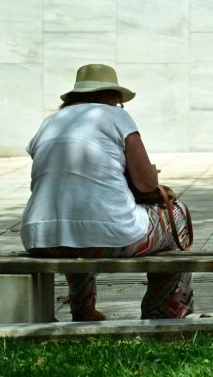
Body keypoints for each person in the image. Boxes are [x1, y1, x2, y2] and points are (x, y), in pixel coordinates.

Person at [20, 63, 193, 321]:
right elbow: (146, 184)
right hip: (112, 239)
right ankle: (163, 308)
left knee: (75, 221)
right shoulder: (117, 118)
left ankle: (83, 308)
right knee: (177, 216)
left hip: (42, 237)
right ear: (111, 97)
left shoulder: (50, 122)